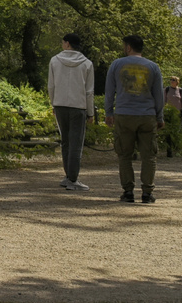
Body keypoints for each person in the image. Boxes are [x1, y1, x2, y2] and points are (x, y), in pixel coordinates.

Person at [104, 35, 166, 204]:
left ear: (129, 47)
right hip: (146, 114)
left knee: (124, 155)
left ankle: (128, 191)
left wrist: (109, 112)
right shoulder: (153, 67)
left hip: (124, 113)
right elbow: (159, 95)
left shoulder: (116, 64)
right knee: (149, 156)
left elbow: (109, 92)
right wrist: (159, 116)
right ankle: (147, 192)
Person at [48, 33, 94, 190]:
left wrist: (54, 103)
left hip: (60, 104)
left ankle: (68, 175)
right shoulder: (87, 63)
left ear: (67, 44)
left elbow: (51, 86)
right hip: (78, 105)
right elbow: (89, 91)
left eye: (63, 42)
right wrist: (90, 112)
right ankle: (73, 178)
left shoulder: (55, 60)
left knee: (65, 141)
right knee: (76, 142)